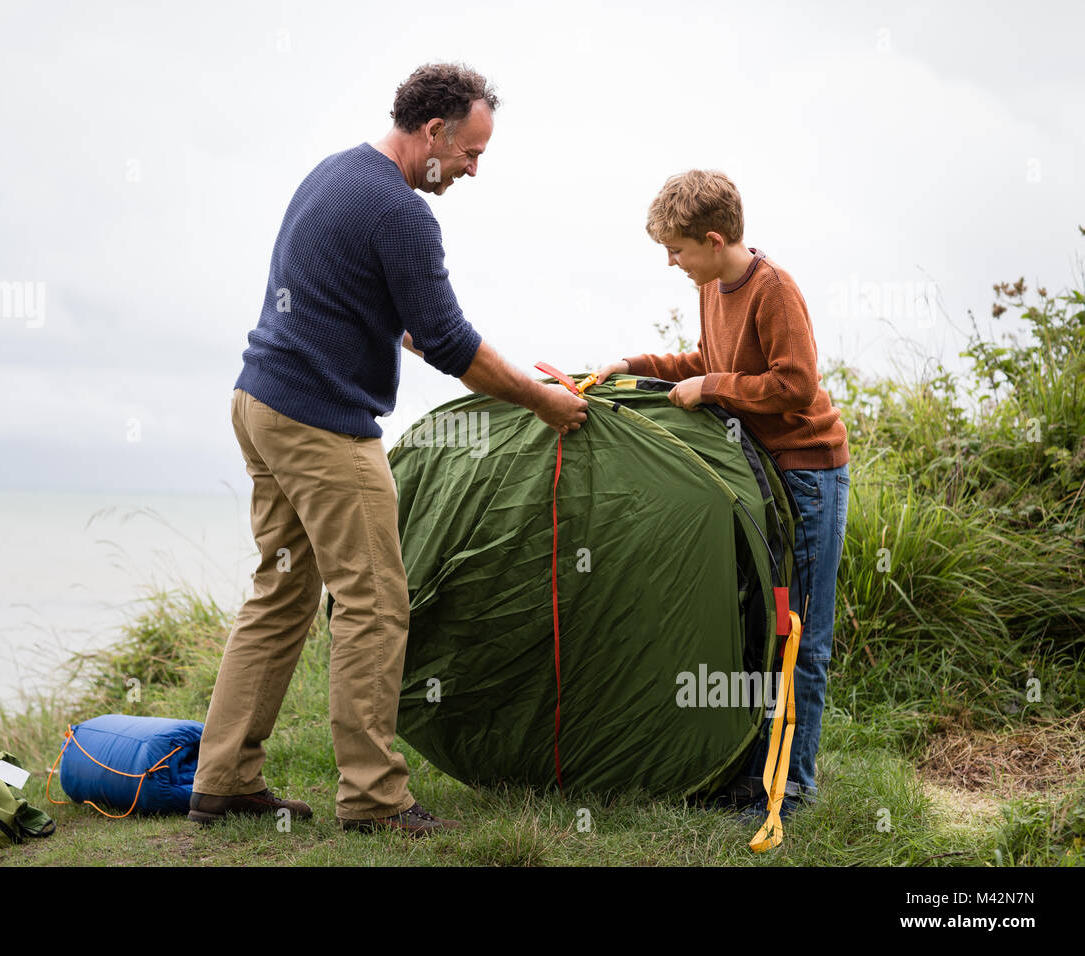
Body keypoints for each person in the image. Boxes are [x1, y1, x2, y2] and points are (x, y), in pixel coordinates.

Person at [189, 63, 588, 837]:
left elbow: (390, 313)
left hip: (261, 403)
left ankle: (225, 779)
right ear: (433, 131)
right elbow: (445, 342)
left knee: (280, 594)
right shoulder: (402, 213)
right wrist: (540, 400)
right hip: (320, 424)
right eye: (471, 151)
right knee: (374, 602)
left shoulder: (336, 175)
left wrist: (484, 356)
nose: (475, 168)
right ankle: (373, 798)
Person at [593, 169, 850, 818]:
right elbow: (707, 361)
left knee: (800, 635)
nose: (670, 262)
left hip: (808, 474)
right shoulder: (712, 287)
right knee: (755, 627)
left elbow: (792, 386)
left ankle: (790, 785)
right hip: (757, 473)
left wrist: (712, 390)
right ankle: (750, 770)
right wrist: (638, 366)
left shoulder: (774, 291)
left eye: (676, 250)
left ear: (713, 239)